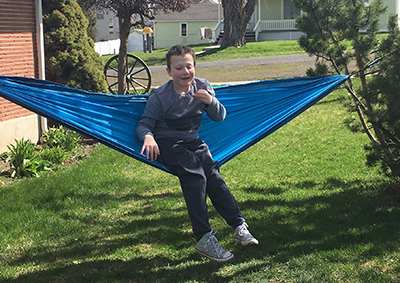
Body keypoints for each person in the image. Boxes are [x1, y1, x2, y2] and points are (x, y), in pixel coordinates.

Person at [136, 45, 258, 263]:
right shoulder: (160, 95)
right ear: (169, 71)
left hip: (193, 142)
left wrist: (211, 101)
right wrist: (148, 137)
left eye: (188, 66)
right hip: (167, 144)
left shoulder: (203, 86)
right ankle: (203, 238)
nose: (185, 72)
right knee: (195, 175)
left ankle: (239, 226)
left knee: (213, 176)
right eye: (178, 68)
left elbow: (220, 117)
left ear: (194, 67)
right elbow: (144, 124)